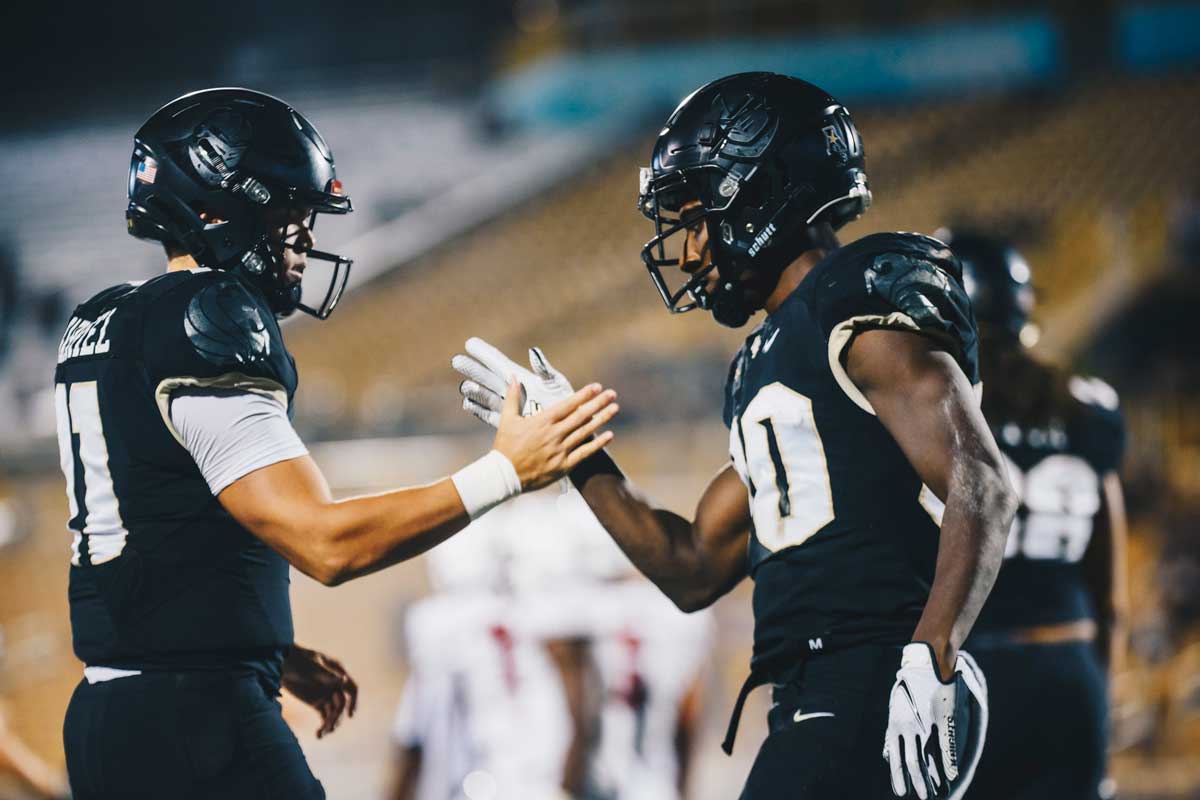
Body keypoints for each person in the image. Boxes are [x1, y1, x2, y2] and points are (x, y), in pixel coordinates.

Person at [453, 72, 1017, 799]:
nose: (686, 250)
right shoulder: (772, 356)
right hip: (812, 697)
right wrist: (575, 450)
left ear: (760, 194)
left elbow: (984, 482)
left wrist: (931, 652)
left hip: (874, 681)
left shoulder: (855, 304)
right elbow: (691, 567)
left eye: (693, 217)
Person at [54, 88, 617, 800]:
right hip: (195, 722)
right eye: (289, 214)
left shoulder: (101, 322)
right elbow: (326, 544)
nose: (304, 239)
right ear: (223, 208)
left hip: (107, 719)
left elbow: (157, 525)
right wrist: (507, 470)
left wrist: (265, 647)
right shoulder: (206, 319)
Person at [941, 230, 1128, 800]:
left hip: (972, 672)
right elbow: (1112, 597)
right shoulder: (1086, 403)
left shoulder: (940, 406)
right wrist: (1100, 695)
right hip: (1067, 660)